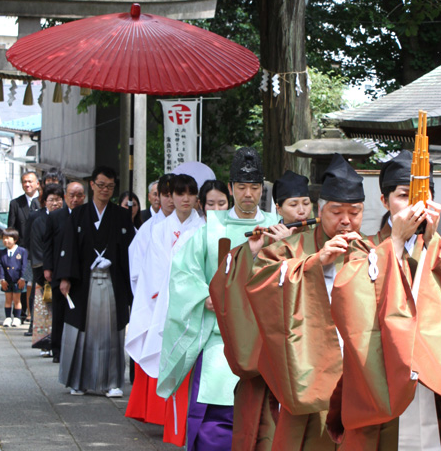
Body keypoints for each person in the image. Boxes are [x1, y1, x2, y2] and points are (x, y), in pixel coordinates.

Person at [325, 150, 441, 450]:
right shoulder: (364, 249)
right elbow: (348, 297)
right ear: (385, 200)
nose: (414, 205)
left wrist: (430, 244)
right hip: (379, 382)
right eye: (404, 195)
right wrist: (396, 243)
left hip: (430, 385)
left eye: (422, 195)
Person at [157, 147, 278, 451]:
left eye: (254, 187)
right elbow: (183, 274)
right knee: (215, 426)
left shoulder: (277, 227)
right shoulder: (211, 228)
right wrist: (204, 296)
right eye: (241, 187)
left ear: (261, 188)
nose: (248, 194)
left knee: (268, 426)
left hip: (267, 342)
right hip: (219, 340)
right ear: (230, 188)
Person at [242, 154, 366, 451]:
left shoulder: (371, 252)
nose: (346, 220)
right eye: (337, 211)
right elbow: (260, 283)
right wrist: (313, 264)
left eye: (355, 212)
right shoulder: (291, 247)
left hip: (357, 371)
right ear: (321, 210)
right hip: (309, 367)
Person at [208, 169, 312, 451]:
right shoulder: (263, 241)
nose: (301, 210)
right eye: (293, 204)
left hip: (309, 351)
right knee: (265, 428)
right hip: (271, 351)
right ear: (277, 208)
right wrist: (261, 250)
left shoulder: (320, 239)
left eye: (306, 202)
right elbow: (241, 289)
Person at [125, 174, 205, 446]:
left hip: (193, 308)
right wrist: (162, 295)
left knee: (190, 372)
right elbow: (150, 270)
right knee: (167, 364)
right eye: (176, 193)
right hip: (162, 306)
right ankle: (171, 427)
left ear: (196, 198)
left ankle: (186, 426)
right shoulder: (157, 228)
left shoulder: (204, 228)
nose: (182, 199)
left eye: (189, 194)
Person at [56, 166, 135, 398]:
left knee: (112, 333)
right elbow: (68, 247)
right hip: (84, 282)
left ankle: (112, 381)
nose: (105, 190)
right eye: (101, 185)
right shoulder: (78, 214)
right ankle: (78, 381)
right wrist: (65, 278)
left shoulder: (121, 216)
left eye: (110, 187)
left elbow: (131, 251)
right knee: (81, 332)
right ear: (92, 185)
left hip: (112, 281)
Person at [43, 181, 86, 363]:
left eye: (79, 196)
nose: (75, 199)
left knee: (78, 313)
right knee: (59, 312)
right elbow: (48, 244)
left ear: (84, 197)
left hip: (81, 273)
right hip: (58, 270)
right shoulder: (55, 217)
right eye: (71, 195)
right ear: (65, 197)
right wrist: (47, 268)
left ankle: (78, 350)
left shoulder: (87, 216)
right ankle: (57, 349)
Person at [28, 183, 65, 356]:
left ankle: (60, 344)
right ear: (45, 202)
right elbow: (36, 248)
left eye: (58, 200)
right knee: (45, 309)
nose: (55, 203)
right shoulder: (39, 221)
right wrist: (45, 271)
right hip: (45, 272)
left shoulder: (67, 218)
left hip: (62, 271)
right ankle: (45, 344)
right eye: (51, 200)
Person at [7, 171, 40, 321]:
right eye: (24, 182)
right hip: (22, 249)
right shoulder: (15, 203)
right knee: (20, 280)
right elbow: (11, 227)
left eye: (30, 181)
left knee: (33, 282)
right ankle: (20, 312)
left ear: (37, 184)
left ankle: (32, 313)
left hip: (39, 250)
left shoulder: (43, 202)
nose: (27, 184)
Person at [0, 228, 28, 327]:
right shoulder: (2, 253)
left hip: (18, 280)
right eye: (4, 238)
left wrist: (23, 278)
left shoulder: (22, 251)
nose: (5, 240)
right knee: (8, 299)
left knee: (17, 300)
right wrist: (2, 279)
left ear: (15, 239)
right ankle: (7, 318)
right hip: (7, 280)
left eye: (8, 238)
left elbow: (24, 266)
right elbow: (0, 266)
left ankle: (17, 318)